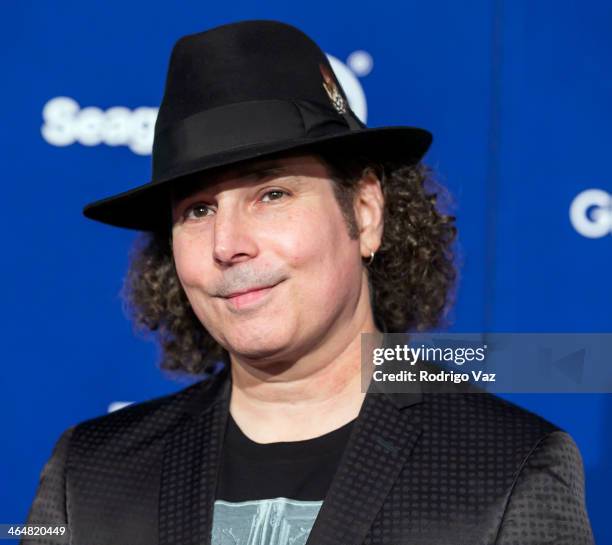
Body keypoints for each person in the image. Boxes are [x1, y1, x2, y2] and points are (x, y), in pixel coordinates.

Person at [22, 19, 594, 545]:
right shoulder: (89, 473)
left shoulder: (507, 468)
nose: (228, 244)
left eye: (272, 194)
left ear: (365, 213)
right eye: (198, 210)